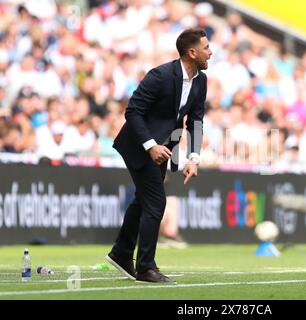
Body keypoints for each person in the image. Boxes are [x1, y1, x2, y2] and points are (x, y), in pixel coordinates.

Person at [106, 28, 212, 284]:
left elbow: (195, 120)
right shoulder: (161, 75)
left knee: (143, 201)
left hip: (163, 149)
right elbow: (132, 112)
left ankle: (121, 253)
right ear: (192, 52)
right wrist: (151, 145)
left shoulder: (200, 80)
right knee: (156, 202)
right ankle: (145, 267)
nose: (211, 52)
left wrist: (194, 157)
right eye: (207, 48)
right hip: (139, 145)